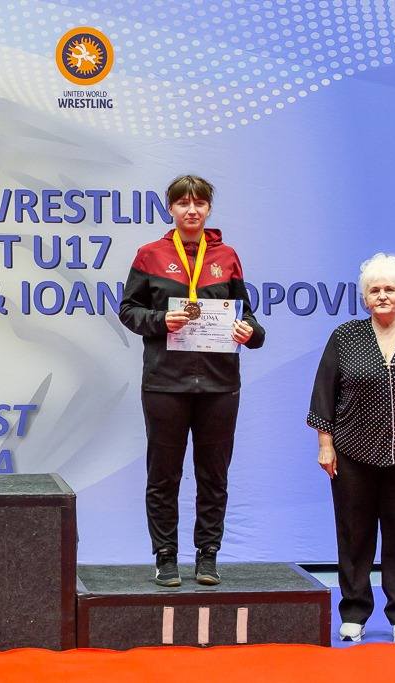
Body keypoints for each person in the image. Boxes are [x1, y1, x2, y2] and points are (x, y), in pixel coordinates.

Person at [118, 175, 264, 586]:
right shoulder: (150, 255)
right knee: (163, 476)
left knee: (213, 476)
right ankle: (165, 556)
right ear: (171, 209)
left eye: (199, 203)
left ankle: (208, 555)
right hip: (165, 384)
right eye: (183, 203)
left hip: (219, 386)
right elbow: (128, 310)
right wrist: (160, 320)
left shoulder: (227, 257)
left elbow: (249, 319)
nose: (192, 210)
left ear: (209, 209)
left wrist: (249, 332)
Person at [308, 253, 395, 645]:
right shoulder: (345, 337)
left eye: (390, 289)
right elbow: (324, 392)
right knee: (353, 536)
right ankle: (354, 613)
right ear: (364, 298)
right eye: (375, 290)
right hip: (352, 453)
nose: (383, 295)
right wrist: (325, 444)